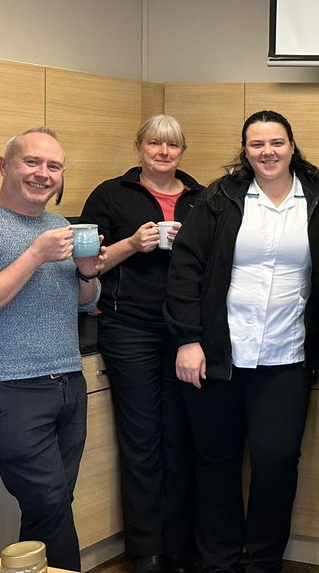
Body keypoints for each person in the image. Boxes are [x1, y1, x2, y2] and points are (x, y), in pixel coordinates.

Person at [165, 110, 319, 573]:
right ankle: (218, 560)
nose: (267, 152)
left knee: (277, 460)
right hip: (217, 355)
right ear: (245, 151)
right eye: (256, 144)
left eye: (276, 142)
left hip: (287, 357)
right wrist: (188, 339)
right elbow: (186, 268)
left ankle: (264, 560)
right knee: (217, 462)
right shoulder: (220, 198)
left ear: (291, 146)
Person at [0, 127, 103, 571]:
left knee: (49, 504)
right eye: (32, 162)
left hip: (67, 381)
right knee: (48, 501)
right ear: (5, 165)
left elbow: (84, 300)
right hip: (6, 386)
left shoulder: (60, 224)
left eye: (53, 166)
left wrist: (87, 273)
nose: (43, 174)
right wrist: (33, 256)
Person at [79, 115, 203, 573]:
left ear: (182, 151)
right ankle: (147, 548)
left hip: (186, 333)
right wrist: (132, 243)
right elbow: (85, 265)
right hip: (129, 329)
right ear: (139, 147)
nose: (164, 152)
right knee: (142, 438)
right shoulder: (110, 195)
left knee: (181, 437)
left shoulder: (202, 198)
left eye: (172, 145)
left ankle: (180, 544)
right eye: (155, 143)